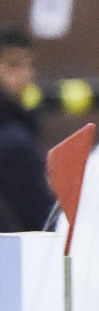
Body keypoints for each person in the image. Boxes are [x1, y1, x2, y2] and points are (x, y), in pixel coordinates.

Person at [0, 25, 58, 235]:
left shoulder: (20, 129)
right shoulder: (13, 143)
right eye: (13, 65)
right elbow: (44, 221)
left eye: (29, 65)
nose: (26, 75)